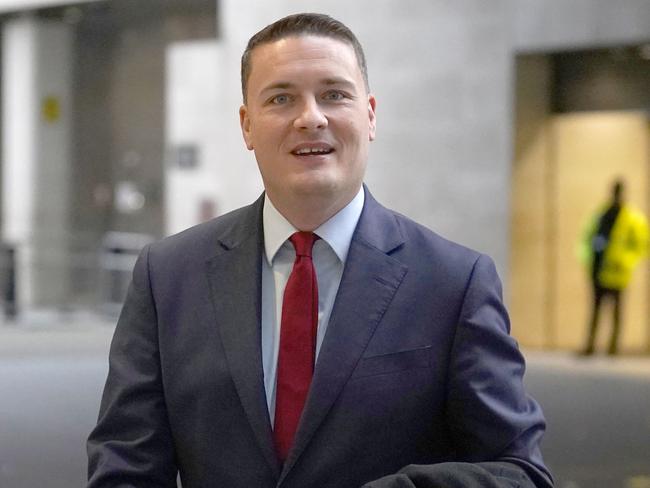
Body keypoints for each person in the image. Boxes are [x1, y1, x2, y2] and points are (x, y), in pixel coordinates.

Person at [87, 13, 553, 488]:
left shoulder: (454, 282)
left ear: (369, 115)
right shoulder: (167, 278)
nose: (310, 117)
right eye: (281, 98)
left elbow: (520, 472)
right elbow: (126, 467)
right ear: (247, 126)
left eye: (334, 94)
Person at [579, 179, 648, 356]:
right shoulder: (601, 213)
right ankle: (591, 345)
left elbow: (642, 245)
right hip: (599, 269)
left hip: (617, 272)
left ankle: (613, 348)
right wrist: (588, 260)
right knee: (595, 310)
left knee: (616, 312)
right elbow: (587, 237)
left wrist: (625, 261)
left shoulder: (632, 218)